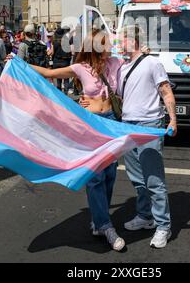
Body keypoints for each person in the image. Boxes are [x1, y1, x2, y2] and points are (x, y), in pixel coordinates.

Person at [30, 29, 125, 252]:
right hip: (91, 123)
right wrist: (17, 63)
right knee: (95, 176)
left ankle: (98, 220)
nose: (110, 46)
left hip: (111, 123)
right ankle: (105, 225)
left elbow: (135, 58)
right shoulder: (80, 68)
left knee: (110, 174)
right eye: (106, 43)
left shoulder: (115, 62)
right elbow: (48, 73)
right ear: (96, 47)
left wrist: (146, 52)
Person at [117, 25, 177, 249]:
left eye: (121, 39)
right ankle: (145, 216)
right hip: (127, 125)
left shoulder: (152, 63)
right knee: (137, 178)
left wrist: (172, 119)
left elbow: (165, 91)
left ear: (132, 40)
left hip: (149, 125)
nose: (117, 44)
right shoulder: (123, 67)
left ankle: (163, 226)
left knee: (154, 179)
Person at [51, 27, 73, 93]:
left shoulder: (54, 40)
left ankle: (59, 95)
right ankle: (66, 94)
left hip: (56, 61)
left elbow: (52, 52)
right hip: (65, 61)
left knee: (58, 78)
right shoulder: (68, 39)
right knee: (66, 78)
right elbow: (72, 51)